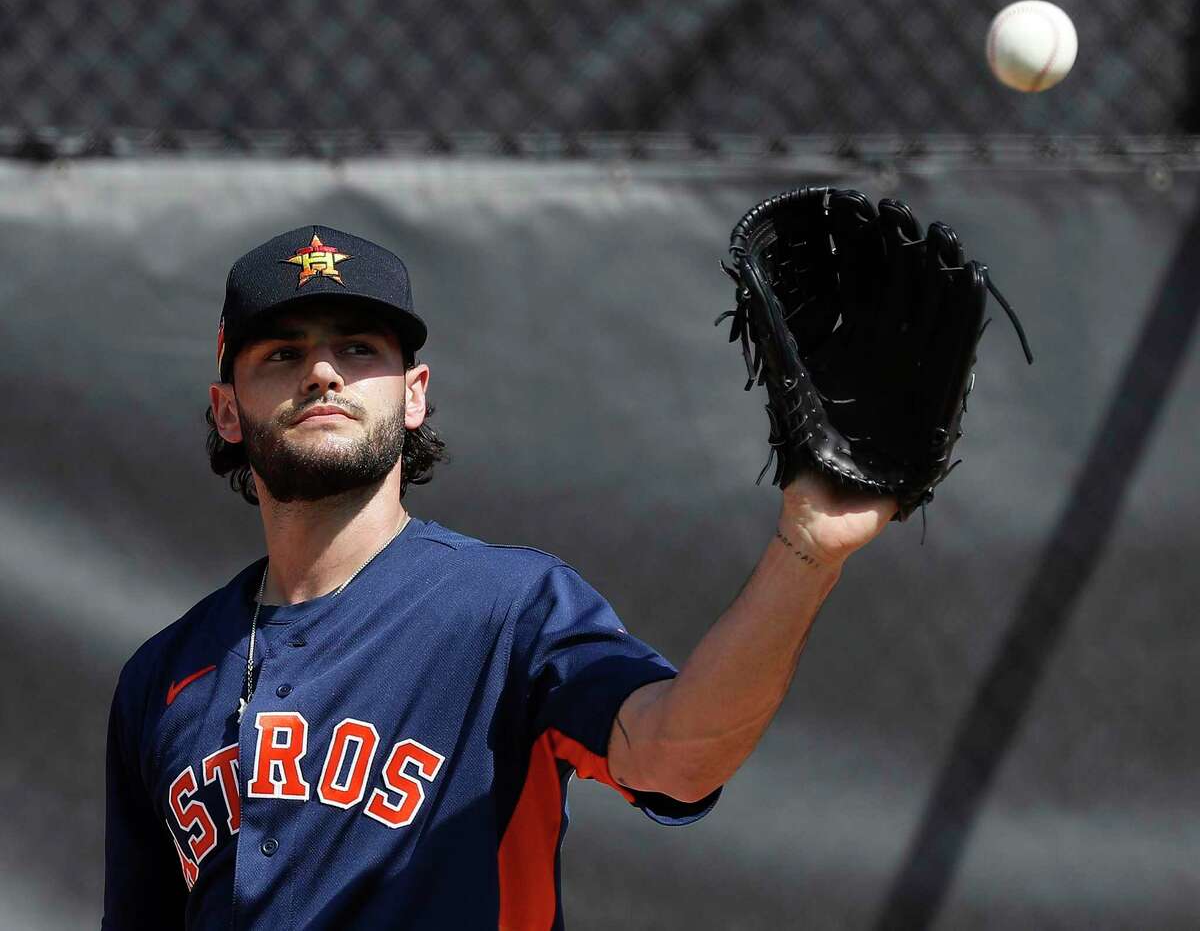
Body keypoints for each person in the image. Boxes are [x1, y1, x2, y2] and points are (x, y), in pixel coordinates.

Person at [102, 226, 896, 930]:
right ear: (228, 410)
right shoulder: (163, 676)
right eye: (281, 353)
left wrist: (806, 553)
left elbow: (674, 759)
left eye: (358, 348)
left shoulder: (511, 610)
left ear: (413, 395)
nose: (322, 373)